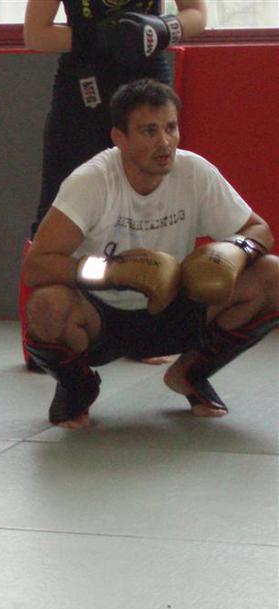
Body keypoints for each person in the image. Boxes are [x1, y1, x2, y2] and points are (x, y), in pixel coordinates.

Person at [22, 79, 277, 429]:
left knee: (272, 276)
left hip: (177, 308)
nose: (164, 142)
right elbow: (36, 266)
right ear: (119, 138)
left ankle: (190, 373)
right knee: (46, 307)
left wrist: (235, 251)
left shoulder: (194, 172)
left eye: (171, 128)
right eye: (149, 131)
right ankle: (78, 386)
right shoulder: (91, 182)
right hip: (102, 317)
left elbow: (259, 230)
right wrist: (111, 272)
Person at [20, 0, 207, 368]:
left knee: (151, 197)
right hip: (84, 83)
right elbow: (35, 35)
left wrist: (160, 29)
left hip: (146, 78)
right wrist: (98, 37)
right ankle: (45, 334)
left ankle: (149, 331)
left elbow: (197, 16)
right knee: (57, 205)